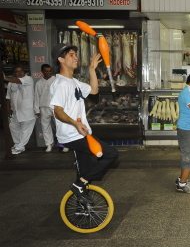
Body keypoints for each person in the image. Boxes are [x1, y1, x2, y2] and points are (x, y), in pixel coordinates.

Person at [50, 43, 119, 204]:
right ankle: (78, 185)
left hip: (80, 133)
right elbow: (57, 111)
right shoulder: (60, 84)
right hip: (72, 134)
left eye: (75, 54)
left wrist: (91, 70)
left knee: (85, 172)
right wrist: (75, 123)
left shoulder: (73, 81)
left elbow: (93, 91)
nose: (76, 58)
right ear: (61, 59)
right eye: (71, 55)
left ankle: (81, 202)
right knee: (111, 154)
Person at [34, 64, 68, 153]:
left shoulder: (56, 81)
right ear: (42, 72)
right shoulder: (38, 83)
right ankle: (49, 145)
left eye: (50, 71)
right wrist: (37, 110)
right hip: (43, 108)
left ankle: (64, 144)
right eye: (46, 71)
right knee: (45, 127)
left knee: (60, 126)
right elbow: (37, 97)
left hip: (55, 107)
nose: (48, 73)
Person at [3, 65, 36, 154]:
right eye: (17, 71)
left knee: (26, 130)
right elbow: (8, 96)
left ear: (24, 72)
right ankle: (19, 145)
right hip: (15, 110)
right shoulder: (10, 83)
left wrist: (5, 78)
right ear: (13, 73)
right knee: (13, 126)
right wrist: (8, 107)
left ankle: (19, 147)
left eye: (21, 71)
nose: (19, 73)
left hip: (27, 110)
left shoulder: (28, 79)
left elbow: (18, 81)